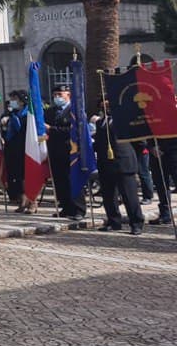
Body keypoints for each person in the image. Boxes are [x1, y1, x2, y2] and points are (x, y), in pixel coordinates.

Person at [93, 100, 144, 234]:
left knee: (129, 196)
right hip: (105, 163)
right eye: (103, 105)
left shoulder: (125, 120)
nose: (106, 107)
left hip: (123, 162)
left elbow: (140, 142)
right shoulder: (100, 122)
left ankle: (136, 223)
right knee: (109, 196)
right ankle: (114, 221)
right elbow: (98, 142)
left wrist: (132, 158)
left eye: (109, 105)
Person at [46, 84, 86, 219]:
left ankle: (78, 209)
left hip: (71, 150)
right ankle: (66, 206)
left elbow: (72, 131)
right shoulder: (50, 112)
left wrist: (51, 129)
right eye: (55, 95)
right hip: (55, 150)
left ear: (68, 95)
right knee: (59, 180)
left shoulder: (74, 111)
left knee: (72, 179)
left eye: (60, 95)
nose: (57, 97)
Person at [1, 90, 29, 208]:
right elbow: (4, 131)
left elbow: (22, 129)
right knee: (14, 173)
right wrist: (4, 124)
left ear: (22, 101)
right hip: (11, 147)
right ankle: (17, 196)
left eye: (15, 100)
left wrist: (12, 118)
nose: (12, 102)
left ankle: (28, 198)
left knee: (23, 174)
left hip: (24, 147)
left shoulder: (27, 114)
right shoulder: (10, 113)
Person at [147, 138, 177, 226]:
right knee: (161, 185)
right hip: (156, 150)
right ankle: (165, 214)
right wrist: (151, 147)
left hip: (174, 149)